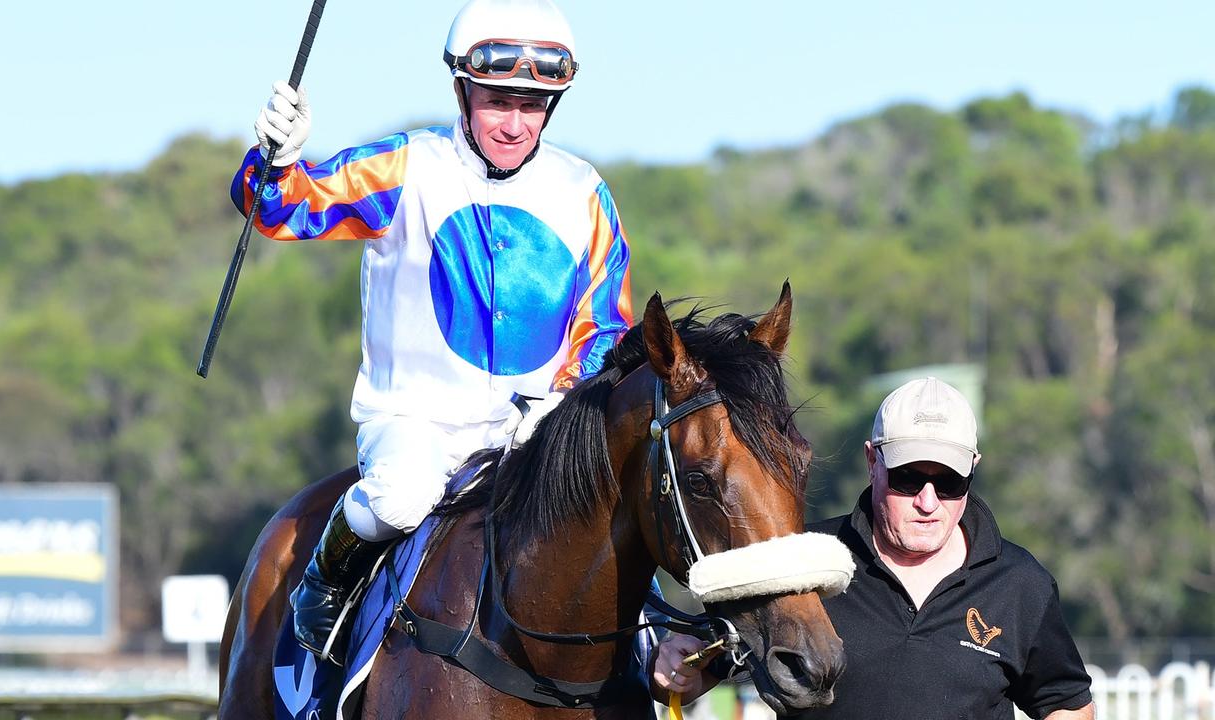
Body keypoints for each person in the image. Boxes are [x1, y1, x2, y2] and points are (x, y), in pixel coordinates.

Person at [231, 0, 632, 666]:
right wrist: (276, 162)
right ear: (461, 89)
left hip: (532, 432)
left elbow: (605, 325)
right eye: (497, 100)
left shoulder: (584, 192)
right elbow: (282, 209)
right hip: (414, 423)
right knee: (401, 497)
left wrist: (560, 408)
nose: (513, 123)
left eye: (532, 106)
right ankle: (326, 583)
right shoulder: (403, 166)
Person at [651, 377, 1096, 719]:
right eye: (906, 478)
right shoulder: (800, 561)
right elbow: (693, 670)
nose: (927, 501)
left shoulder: (1020, 583)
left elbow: (1065, 701)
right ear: (871, 461)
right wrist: (676, 660)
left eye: (948, 482)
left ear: (973, 470)